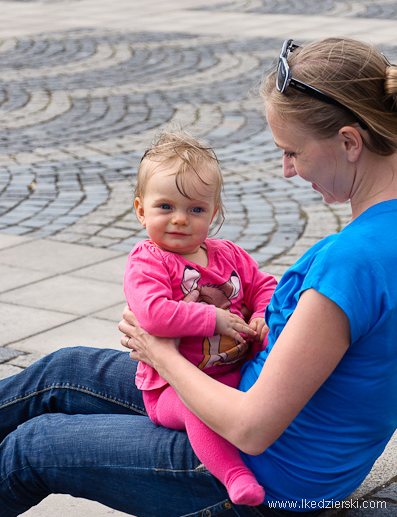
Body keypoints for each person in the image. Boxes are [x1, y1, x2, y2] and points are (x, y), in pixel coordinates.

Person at [0, 37, 396, 517]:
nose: (287, 170)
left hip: (267, 475)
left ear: (349, 142)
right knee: (64, 370)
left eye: (292, 151)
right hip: (255, 405)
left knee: (34, 448)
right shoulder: (376, 236)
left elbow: (252, 427)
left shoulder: (354, 259)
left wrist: (160, 354)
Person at [124, 131, 277, 505]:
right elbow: (154, 315)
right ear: (141, 210)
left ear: (214, 213)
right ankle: (234, 476)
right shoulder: (148, 261)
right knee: (202, 411)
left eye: (195, 209)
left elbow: (264, 284)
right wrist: (214, 319)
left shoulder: (228, 255)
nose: (180, 220)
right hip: (171, 388)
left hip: (228, 371)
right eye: (165, 207)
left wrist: (260, 313)